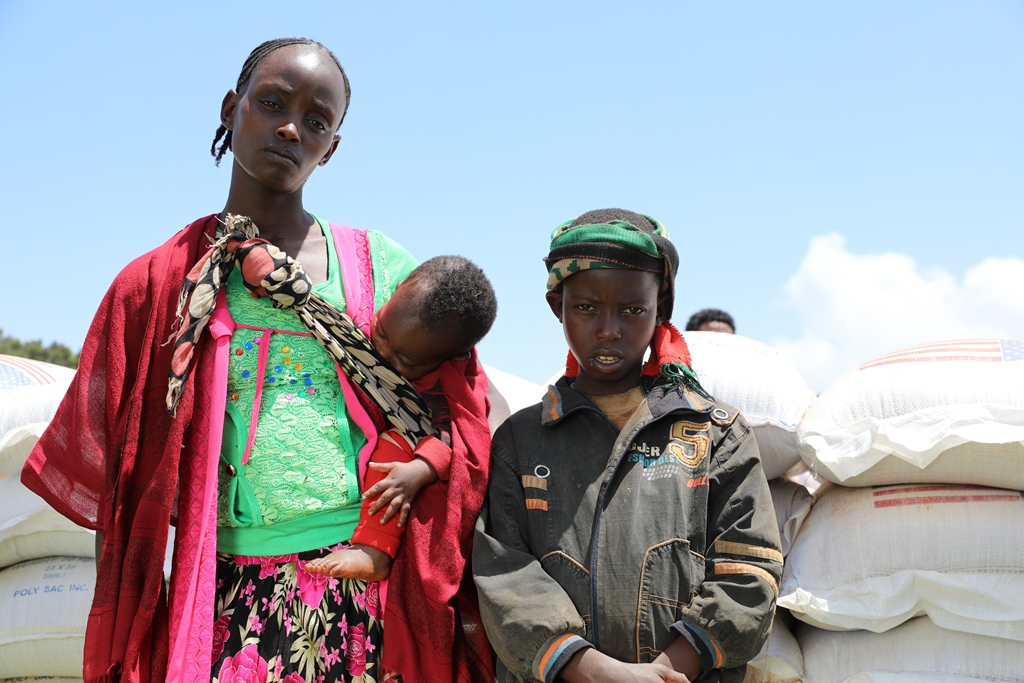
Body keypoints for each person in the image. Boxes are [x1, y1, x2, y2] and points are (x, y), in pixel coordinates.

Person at [21, 38, 491, 683]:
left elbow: (457, 413)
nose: (292, 127)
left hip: (364, 581)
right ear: (230, 109)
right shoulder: (160, 282)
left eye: (318, 121)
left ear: (333, 147)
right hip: (221, 585)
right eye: (271, 103)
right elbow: (122, 468)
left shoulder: (380, 268)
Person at [473, 209, 783, 683]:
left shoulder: (715, 434)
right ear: (558, 306)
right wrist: (592, 671)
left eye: (633, 310)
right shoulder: (521, 440)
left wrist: (662, 672)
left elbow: (749, 571)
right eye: (585, 308)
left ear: (661, 308)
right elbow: (505, 575)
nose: (608, 329)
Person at [305, 255, 497, 583]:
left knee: (393, 454)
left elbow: (462, 438)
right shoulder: (391, 316)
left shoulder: (449, 382)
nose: (382, 353)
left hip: (415, 442)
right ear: (392, 293)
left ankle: (374, 551)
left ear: (451, 357)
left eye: (404, 360)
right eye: (380, 331)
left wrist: (417, 472)